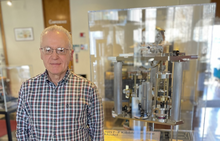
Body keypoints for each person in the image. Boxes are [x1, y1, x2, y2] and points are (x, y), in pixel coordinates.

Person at [16, 25, 104, 140]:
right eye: (48, 50)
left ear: (71, 54)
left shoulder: (88, 89)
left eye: (61, 50)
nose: (54, 56)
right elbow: (22, 131)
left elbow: (97, 133)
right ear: (41, 53)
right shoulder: (27, 88)